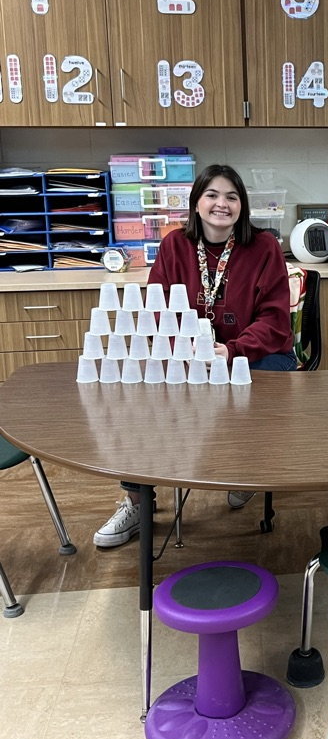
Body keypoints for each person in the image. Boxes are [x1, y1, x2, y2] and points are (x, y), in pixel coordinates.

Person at [93, 164, 295, 548]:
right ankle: (138, 501)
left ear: (243, 206)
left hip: (255, 354)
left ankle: (244, 471)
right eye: (213, 195)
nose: (222, 204)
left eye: (232, 197)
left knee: (243, 396)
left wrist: (230, 350)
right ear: (196, 204)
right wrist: (186, 348)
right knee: (144, 396)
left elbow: (275, 320)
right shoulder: (174, 245)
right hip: (188, 353)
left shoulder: (264, 246)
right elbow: (158, 308)